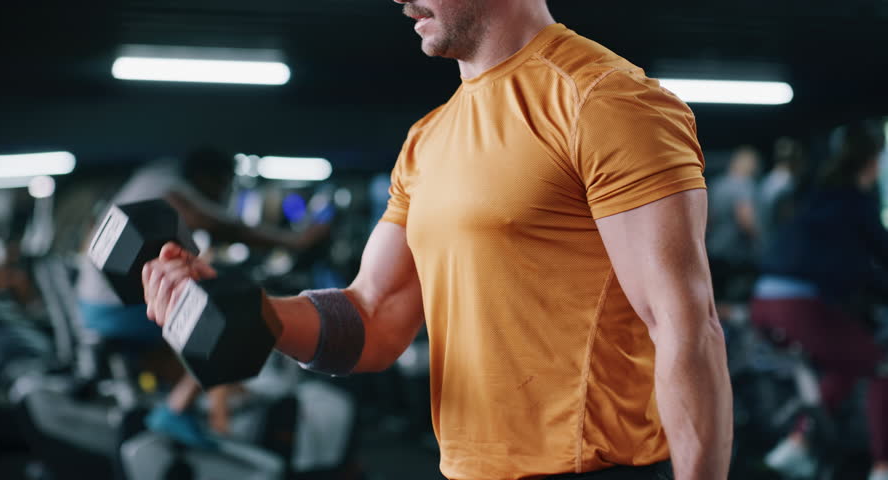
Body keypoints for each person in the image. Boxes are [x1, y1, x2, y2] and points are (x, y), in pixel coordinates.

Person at [141, 1, 733, 479]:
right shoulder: (428, 140)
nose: (399, 1)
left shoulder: (604, 100)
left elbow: (684, 322)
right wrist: (251, 311)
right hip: (464, 469)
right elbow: (372, 317)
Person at [75, 148, 330, 447]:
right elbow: (216, 225)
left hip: (95, 304)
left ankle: (211, 408)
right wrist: (294, 242)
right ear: (206, 177)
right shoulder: (169, 183)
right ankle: (190, 414)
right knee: (220, 318)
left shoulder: (156, 173)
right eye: (222, 185)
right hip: (116, 308)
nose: (223, 194)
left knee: (210, 309)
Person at [752, 121, 888, 480]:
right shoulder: (855, 202)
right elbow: (879, 256)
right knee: (881, 366)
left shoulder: (816, 195)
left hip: (764, 301)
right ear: (871, 163)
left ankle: (798, 446)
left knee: (847, 364)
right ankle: (882, 468)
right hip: (799, 308)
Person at [707, 146, 760, 302]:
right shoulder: (743, 185)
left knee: (719, 297)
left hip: (715, 247)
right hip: (735, 252)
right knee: (736, 298)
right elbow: (745, 219)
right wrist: (760, 240)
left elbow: (709, 218)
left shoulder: (718, 184)